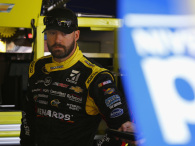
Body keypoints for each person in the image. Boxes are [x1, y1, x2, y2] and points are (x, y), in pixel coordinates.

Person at [20, 7, 134, 146]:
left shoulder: (96, 76)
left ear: (76, 35)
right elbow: (28, 114)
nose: (57, 39)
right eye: (52, 32)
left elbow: (123, 130)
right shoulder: (36, 67)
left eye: (64, 33)